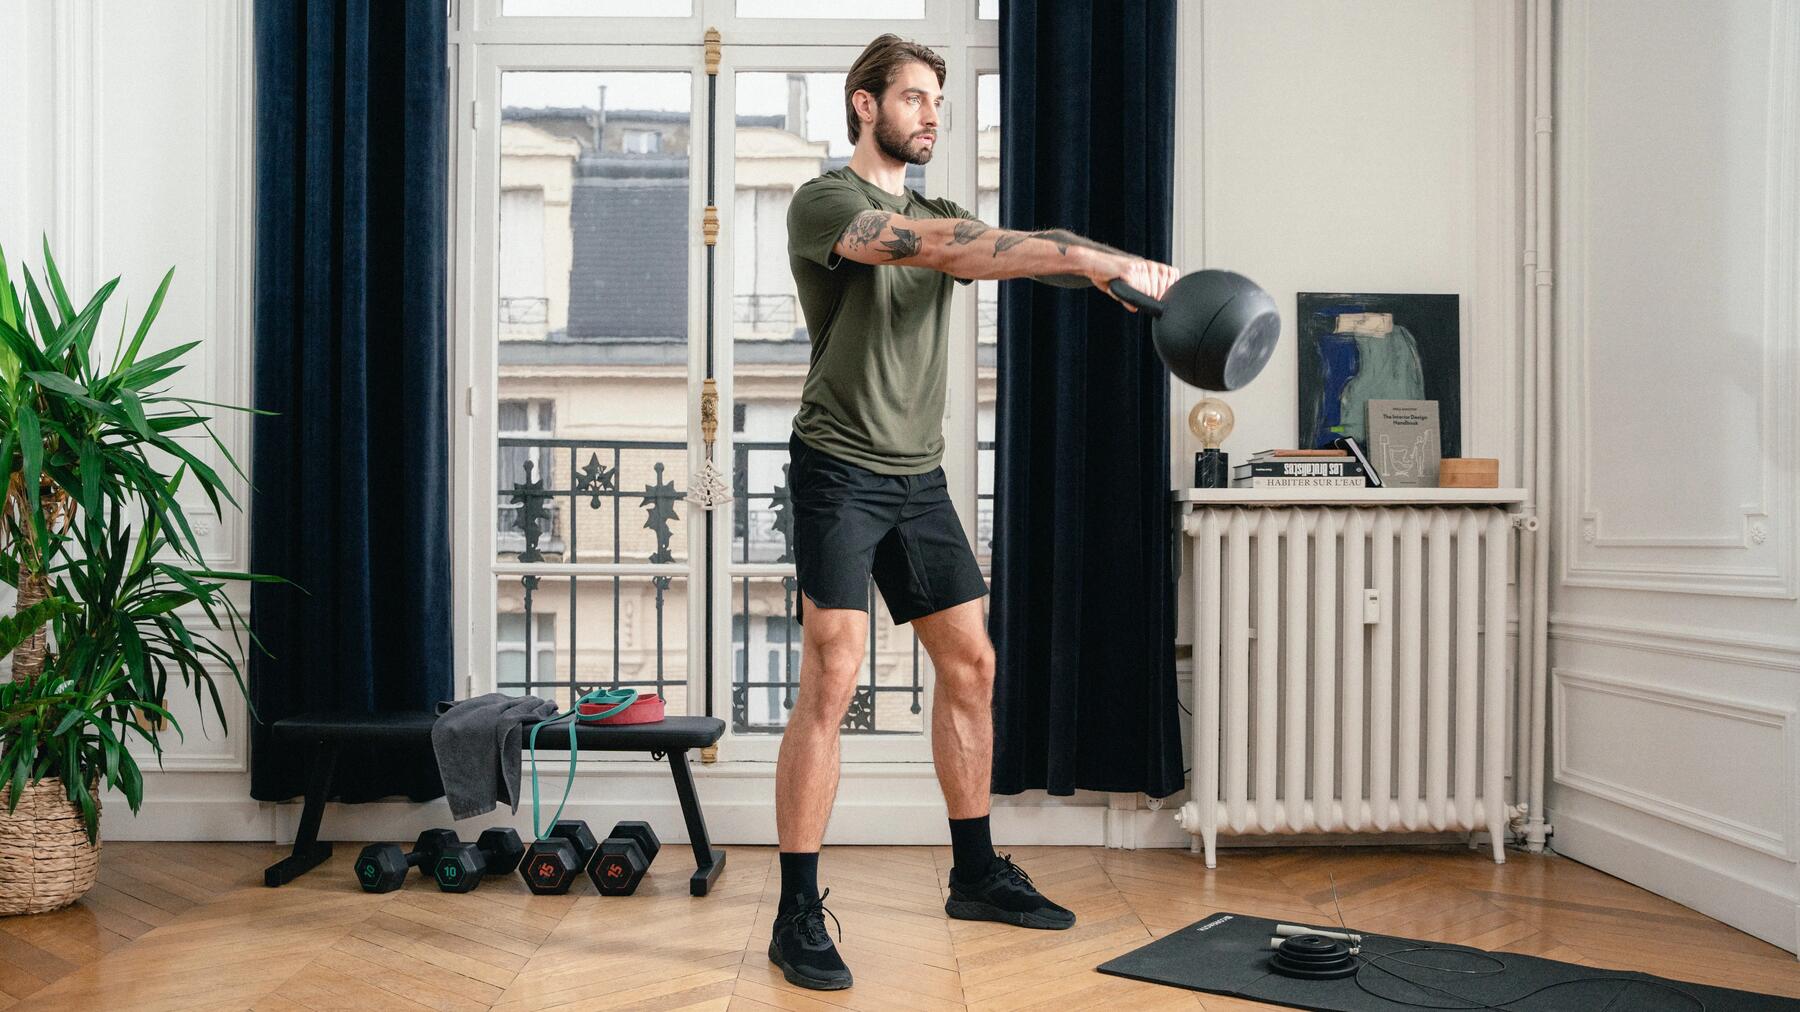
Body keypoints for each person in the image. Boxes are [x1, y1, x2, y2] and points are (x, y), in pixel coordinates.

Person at [770, 34, 1181, 991]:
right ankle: (796, 911)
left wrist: (1098, 270)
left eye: (939, 104)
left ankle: (976, 872)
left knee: (973, 663)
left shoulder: (939, 208)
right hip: (836, 467)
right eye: (913, 98)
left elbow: (999, 254)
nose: (931, 117)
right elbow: (950, 249)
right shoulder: (828, 201)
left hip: (917, 477)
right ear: (865, 105)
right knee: (834, 672)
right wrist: (1088, 254)